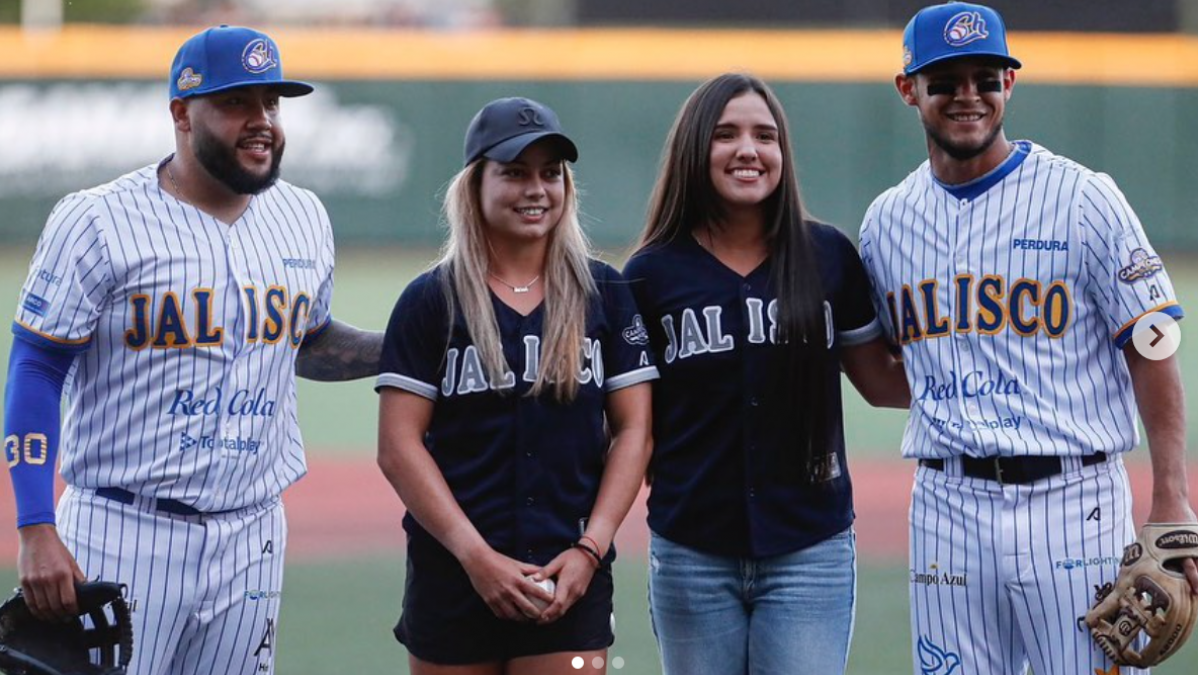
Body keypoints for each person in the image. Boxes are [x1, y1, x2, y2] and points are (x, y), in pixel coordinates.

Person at [3, 26, 382, 675]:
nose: (261, 121)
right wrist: (36, 525)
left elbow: (308, 341)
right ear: (181, 112)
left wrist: (408, 342)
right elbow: (37, 365)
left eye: (271, 103)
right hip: (122, 530)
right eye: (238, 103)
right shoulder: (98, 220)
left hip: (253, 533)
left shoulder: (303, 217)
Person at [859, 3, 1198, 673]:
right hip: (946, 506)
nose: (968, 96)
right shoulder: (885, 222)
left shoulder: (1082, 198)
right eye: (945, 80)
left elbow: (1152, 343)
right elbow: (894, 367)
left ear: (1009, 85)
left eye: (986, 78)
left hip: (1072, 499)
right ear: (908, 89)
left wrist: (1171, 494)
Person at [623, 73, 910, 675]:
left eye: (765, 135)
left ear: (783, 153)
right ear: (694, 149)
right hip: (692, 550)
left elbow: (882, 383)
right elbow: (629, 423)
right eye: (725, 134)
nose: (748, 150)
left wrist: (989, 362)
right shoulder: (651, 273)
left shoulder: (827, 255)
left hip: (809, 548)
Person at [375, 96, 656, 674]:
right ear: (475, 186)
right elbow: (398, 447)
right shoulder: (431, 300)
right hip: (452, 575)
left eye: (550, 173)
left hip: (568, 575)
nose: (537, 189)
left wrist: (590, 549)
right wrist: (476, 557)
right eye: (514, 173)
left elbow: (634, 432)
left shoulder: (605, 292)